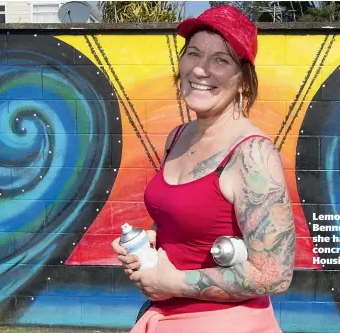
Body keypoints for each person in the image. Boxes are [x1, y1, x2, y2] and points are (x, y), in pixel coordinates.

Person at [111, 5, 296, 333]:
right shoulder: (178, 136)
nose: (200, 70)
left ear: (243, 79)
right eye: (193, 54)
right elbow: (186, 220)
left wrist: (174, 282)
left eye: (220, 60)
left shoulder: (253, 154)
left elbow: (274, 274)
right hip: (163, 317)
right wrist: (149, 243)